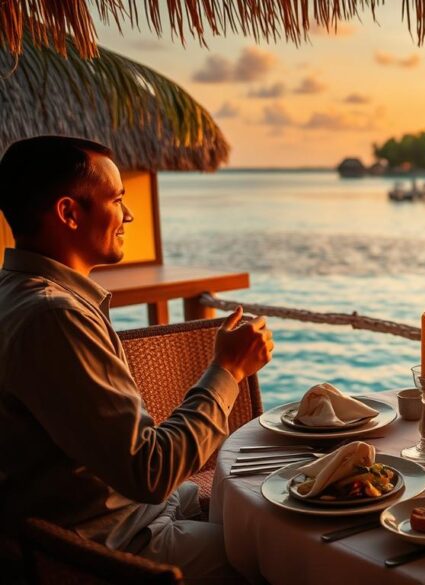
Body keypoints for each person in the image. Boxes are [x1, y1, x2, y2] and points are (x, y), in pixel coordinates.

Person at [0, 136, 274, 582]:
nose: (128, 215)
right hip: (105, 544)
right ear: (69, 213)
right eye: (117, 199)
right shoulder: (55, 317)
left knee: (261, 498)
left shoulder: (16, 292)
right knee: (278, 553)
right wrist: (228, 370)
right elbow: (151, 471)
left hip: (117, 509)